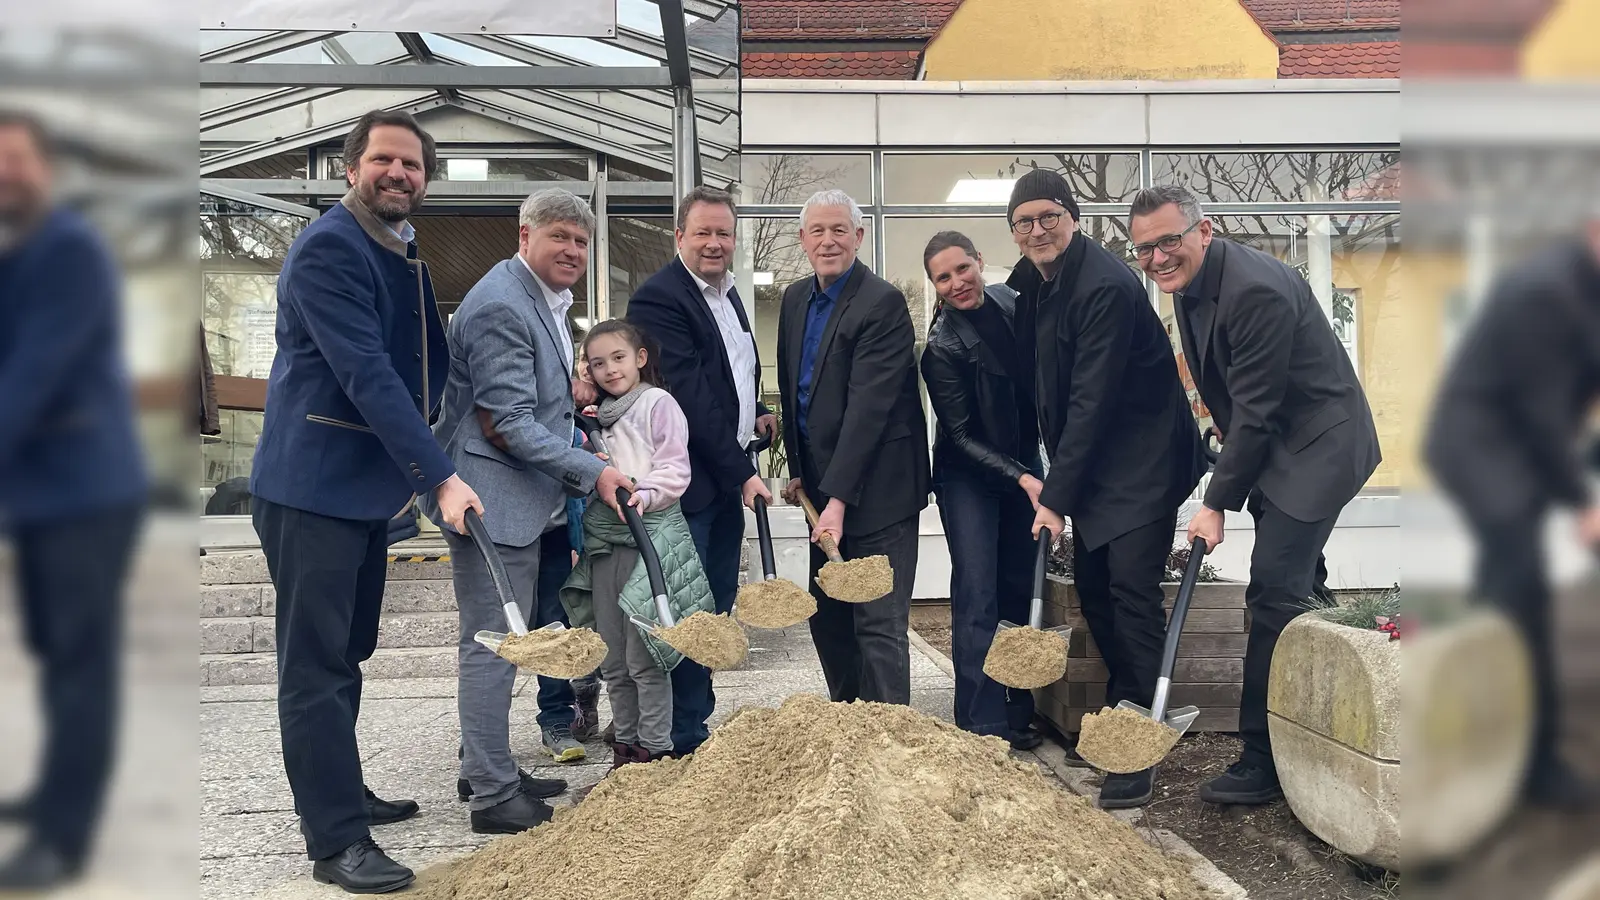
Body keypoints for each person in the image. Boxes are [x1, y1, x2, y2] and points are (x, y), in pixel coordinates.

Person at [248, 109, 484, 894]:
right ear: (352, 168)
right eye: (384, 159)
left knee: (347, 652)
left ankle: (340, 790)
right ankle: (335, 840)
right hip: (311, 489)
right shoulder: (329, 249)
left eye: (412, 165)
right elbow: (368, 376)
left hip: (357, 496)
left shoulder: (399, 250)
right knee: (314, 667)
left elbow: (424, 365)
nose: (399, 173)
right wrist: (439, 475)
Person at [1129, 184, 1380, 806]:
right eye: (1144, 249)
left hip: (1319, 446)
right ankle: (1325, 712)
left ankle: (1262, 759)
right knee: (1299, 587)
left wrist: (1216, 503)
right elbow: (1239, 395)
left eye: (1169, 240)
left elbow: (1262, 407)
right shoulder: (1191, 285)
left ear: (1204, 231)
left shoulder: (1254, 290)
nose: (1158, 257)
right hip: (1277, 447)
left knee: (1271, 588)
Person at [423, 188, 631, 834]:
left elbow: (537, 404)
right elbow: (508, 423)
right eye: (559, 237)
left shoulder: (538, 300)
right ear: (524, 237)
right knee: (492, 647)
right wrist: (594, 470)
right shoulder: (500, 306)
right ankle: (490, 794)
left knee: (508, 647)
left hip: (526, 499)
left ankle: (491, 766)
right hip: (493, 499)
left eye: (580, 241)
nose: (572, 250)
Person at [1006, 170, 1205, 810]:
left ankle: (1138, 749)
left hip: (1143, 462)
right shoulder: (1039, 284)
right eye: (1024, 221)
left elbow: (1090, 402)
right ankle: (1127, 701)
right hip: (1096, 465)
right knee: (1093, 585)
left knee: (1129, 590)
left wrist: (1055, 498)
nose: (1037, 229)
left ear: (1073, 217)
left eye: (1048, 216)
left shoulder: (1105, 288)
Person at [0, 109, 148, 890]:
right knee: (56, 654)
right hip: (36, 495)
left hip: (84, 494)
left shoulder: (67, 251)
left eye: (16, 162)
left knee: (80, 662)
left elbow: (33, 374)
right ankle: (55, 790)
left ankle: (66, 830)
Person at [1425, 215, 1600, 811]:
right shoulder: (1545, 291)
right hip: (1485, 448)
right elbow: (1543, 415)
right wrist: (1584, 504)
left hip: (1530, 438)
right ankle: (1525, 762)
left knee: (1512, 591)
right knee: (1519, 592)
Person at [624, 185, 776, 755]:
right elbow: (690, 397)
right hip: (691, 482)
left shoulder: (730, 294)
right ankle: (681, 735)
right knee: (688, 611)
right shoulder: (659, 299)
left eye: (724, 233)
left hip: (724, 474)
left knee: (714, 606)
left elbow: (735, 370)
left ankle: (694, 721)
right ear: (679, 236)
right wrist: (742, 472)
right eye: (703, 232)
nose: (715, 243)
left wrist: (757, 410)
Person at [776, 189, 930, 706]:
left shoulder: (881, 302)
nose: (828, 240)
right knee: (832, 620)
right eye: (817, 230)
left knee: (878, 622)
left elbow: (869, 410)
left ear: (858, 237)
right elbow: (796, 391)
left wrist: (838, 501)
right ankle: (849, 723)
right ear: (802, 239)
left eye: (839, 229)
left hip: (880, 492)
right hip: (823, 492)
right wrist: (800, 471)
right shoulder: (796, 299)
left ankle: (889, 740)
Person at [560, 320, 714, 769]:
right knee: (612, 655)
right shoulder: (597, 419)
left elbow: (674, 466)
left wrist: (644, 495)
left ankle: (654, 754)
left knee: (645, 654)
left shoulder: (657, 403)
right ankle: (623, 753)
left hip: (649, 534)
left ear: (641, 358)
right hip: (606, 539)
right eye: (597, 363)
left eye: (619, 358)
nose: (609, 369)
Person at [918, 231, 1046, 752]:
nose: (956, 284)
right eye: (942, 278)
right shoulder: (941, 348)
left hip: (1024, 468)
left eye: (962, 269)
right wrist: (1023, 476)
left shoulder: (1013, 303)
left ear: (980, 261)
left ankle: (1019, 713)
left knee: (1018, 586)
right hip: (969, 476)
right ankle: (980, 723)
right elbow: (963, 436)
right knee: (979, 594)